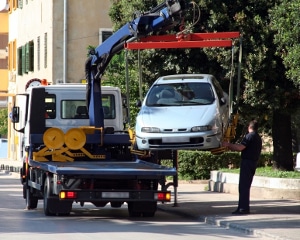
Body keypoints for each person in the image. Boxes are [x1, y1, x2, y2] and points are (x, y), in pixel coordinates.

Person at [222, 120, 262, 215]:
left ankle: (243, 208)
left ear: (249, 127)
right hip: (253, 162)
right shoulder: (258, 137)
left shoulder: (249, 136)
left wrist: (228, 145)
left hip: (247, 162)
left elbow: (240, 147)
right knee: (245, 186)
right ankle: (241, 207)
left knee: (243, 186)